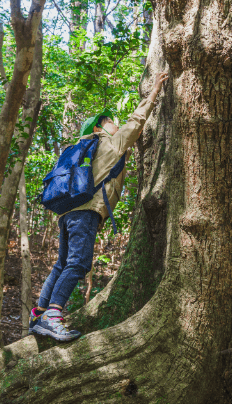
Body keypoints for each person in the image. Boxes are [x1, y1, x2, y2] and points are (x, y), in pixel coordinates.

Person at [31, 72, 168, 341]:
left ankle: (39, 313)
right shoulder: (107, 143)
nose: (116, 125)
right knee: (79, 264)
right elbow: (136, 122)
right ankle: (53, 315)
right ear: (98, 129)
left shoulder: (83, 148)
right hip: (86, 212)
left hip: (68, 211)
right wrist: (153, 93)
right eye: (110, 123)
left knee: (62, 264)